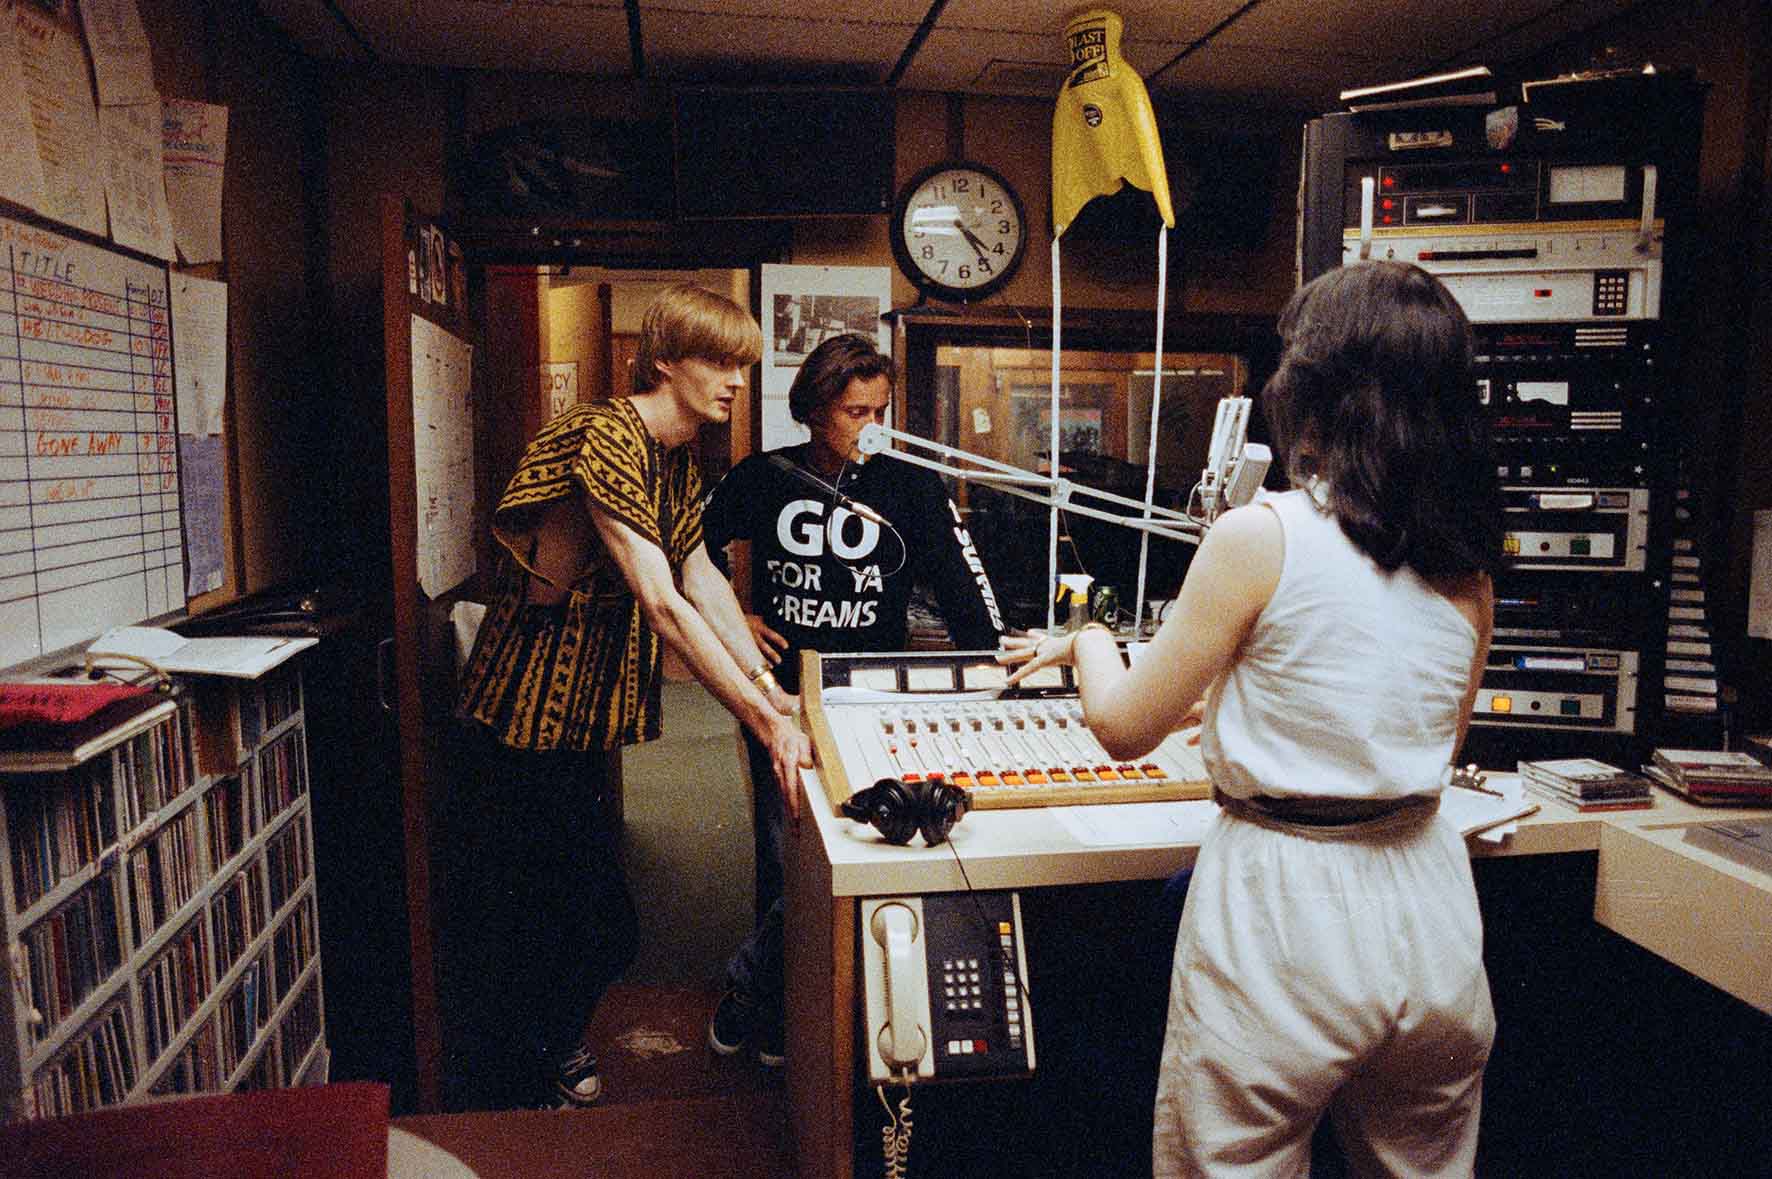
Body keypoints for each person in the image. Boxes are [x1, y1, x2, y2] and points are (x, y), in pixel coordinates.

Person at [1000, 260, 1502, 1176]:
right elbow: (1414, 739)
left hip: (1285, 913)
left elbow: (1121, 726)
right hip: (1432, 912)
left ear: (1313, 391)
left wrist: (1086, 640)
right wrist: (1257, 701)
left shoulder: (1259, 537)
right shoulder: (1467, 571)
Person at [450, 283, 812, 1111]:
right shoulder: (604, 434)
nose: (736, 380)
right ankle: (526, 1077)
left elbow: (703, 578)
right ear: (666, 361)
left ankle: (544, 1049)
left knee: (584, 917)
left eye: (742, 364)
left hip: (581, 719)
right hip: (523, 717)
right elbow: (662, 601)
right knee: (573, 920)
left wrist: (774, 693)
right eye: (718, 360)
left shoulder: (675, 457)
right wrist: (764, 721)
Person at [700, 332, 1005, 1065]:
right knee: (785, 853)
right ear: (814, 410)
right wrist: (735, 616)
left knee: (854, 848)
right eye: (854, 412)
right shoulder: (764, 476)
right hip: (781, 695)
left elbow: (965, 588)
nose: (870, 426)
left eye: (880, 411)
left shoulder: (912, 488)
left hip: (870, 698)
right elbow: (693, 545)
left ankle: (776, 993)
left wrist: (996, 664)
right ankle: (771, 1004)